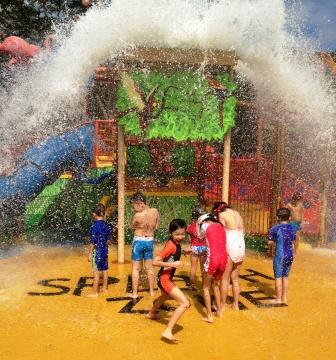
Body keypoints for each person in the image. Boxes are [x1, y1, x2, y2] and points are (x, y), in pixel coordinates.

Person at [146, 219, 190, 342]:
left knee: (164, 297)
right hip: (165, 279)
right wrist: (175, 264)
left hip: (164, 278)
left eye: (182, 234)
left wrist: (184, 251)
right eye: (177, 234)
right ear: (171, 233)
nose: (180, 237)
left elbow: (173, 254)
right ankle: (167, 331)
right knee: (184, 304)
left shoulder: (175, 243)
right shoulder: (171, 245)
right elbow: (155, 262)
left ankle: (151, 313)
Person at [212, 201, 245, 311]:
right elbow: (242, 230)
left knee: (224, 279)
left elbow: (221, 231)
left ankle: (222, 305)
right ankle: (235, 304)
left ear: (218, 210)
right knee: (235, 278)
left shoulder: (222, 215)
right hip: (240, 244)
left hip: (230, 244)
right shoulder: (237, 213)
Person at [128, 191, 160, 298]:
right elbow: (157, 226)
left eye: (134, 205)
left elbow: (132, 226)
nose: (133, 208)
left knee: (136, 269)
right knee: (150, 268)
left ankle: (135, 293)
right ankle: (151, 291)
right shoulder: (155, 211)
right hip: (149, 241)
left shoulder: (137, 215)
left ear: (140, 203)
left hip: (138, 242)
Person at [197, 213, 227, 322]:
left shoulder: (205, 226)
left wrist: (199, 224)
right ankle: (219, 311)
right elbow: (215, 245)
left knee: (205, 287)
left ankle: (209, 316)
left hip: (213, 261)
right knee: (216, 285)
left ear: (204, 221)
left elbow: (199, 237)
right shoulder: (221, 227)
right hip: (223, 260)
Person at [268, 207, 296, 304]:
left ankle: (278, 299)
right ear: (289, 218)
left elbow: (270, 242)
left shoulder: (275, 228)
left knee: (278, 277)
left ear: (277, 217)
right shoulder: (292, 228)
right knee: (285, 277)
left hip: (280, 255)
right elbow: (292, 242)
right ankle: (284, 298)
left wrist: (270, 241)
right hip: (290, 255)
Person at [87, 204, 111, 297]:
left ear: (94, 214)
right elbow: (108, 240)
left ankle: (95, 292)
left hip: (97, 251)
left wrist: (89, 253)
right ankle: (105, 288)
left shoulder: (94, 227)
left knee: (96, 272)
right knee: (105, 270)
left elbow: (93, 242)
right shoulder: (106, 225)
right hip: (104, 250)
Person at [186, 207, 207, 290]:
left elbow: (189, 240)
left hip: (194, 247)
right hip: (203, 247)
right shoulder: (204, 225)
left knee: (193, 267)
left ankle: (191, 285)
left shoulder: (190, 226)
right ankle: (205, 284)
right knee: (203, 267)